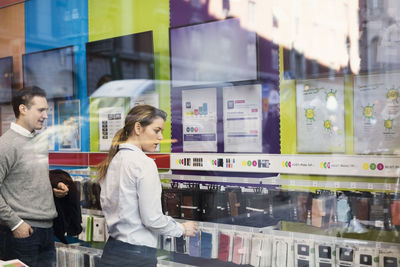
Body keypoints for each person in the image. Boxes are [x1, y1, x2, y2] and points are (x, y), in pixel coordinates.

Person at [98, 105, 198, 267]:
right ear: (138, 127)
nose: (160, 137)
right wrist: (181, 229)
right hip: (136, 255)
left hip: (112, 249)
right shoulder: (144, 164)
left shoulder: (114, 160)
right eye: (156, 130)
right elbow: (152, 219)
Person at [0, 86, 69, 266]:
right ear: (23, 109)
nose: (45, 115)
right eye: (40, 110)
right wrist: (15, 223)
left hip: (47, 230)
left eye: (46, 110)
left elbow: (25, 179)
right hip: (22, 233)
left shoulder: (39, 141)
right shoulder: (5, 145)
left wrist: (53, 189)